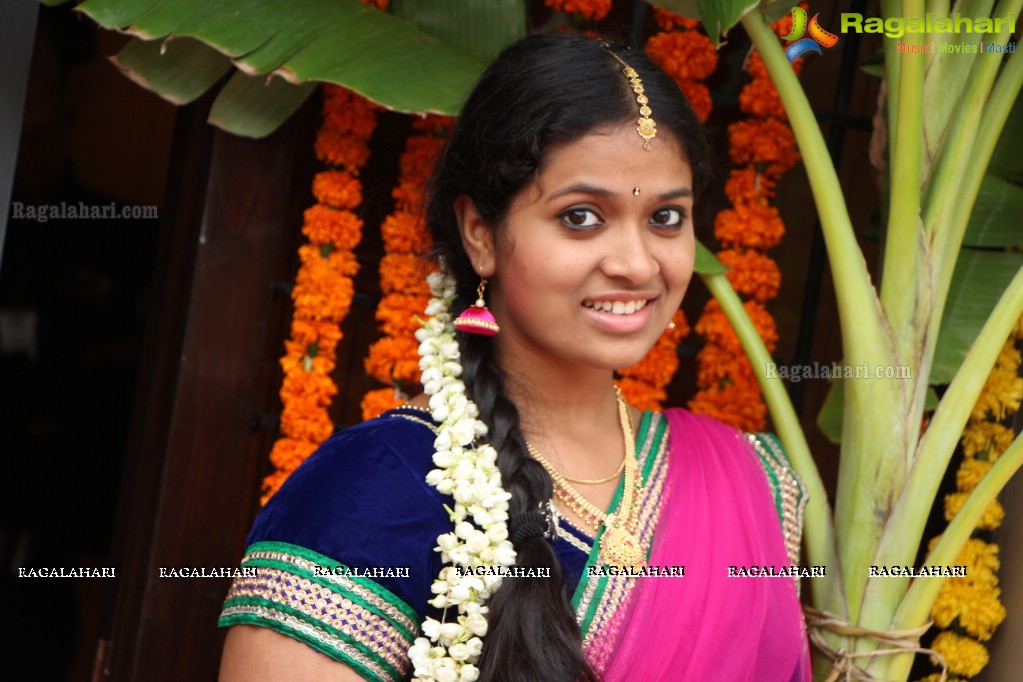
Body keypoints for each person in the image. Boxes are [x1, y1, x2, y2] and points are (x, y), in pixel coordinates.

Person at [218, 33, 810, 682]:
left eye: (666, 218)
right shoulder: (371, 492)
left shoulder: (750, 485)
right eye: (581, 216)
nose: (637, 263)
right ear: (479, 234)